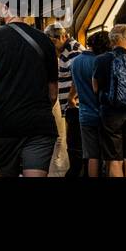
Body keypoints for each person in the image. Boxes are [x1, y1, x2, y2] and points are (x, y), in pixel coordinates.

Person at [0, 6, 58, 177]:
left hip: (4, 126)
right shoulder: (44, 40)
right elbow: (52, 93)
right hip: (38, 126)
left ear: (4, 8)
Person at [93, 23, 126, 177]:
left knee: (115, 160)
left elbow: (95, 88)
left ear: (111, 42)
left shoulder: (100, 60)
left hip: (110, 114)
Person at [71, 30, 111, 177]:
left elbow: (75, 88)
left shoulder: (75, 62)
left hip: (85, 114)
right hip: (103, 114)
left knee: (92, 156)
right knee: (109, 154)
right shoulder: (98, 61)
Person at [45, 23, 79, 177]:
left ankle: (62, 172)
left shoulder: (73, 49)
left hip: (71, 106)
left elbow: (77, 75)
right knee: (61, 140)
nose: (53, 47)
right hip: (64, 106)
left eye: (54, 42)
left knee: (65, 141)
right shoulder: (63, 51)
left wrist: (72, 98)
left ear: (63, 37)